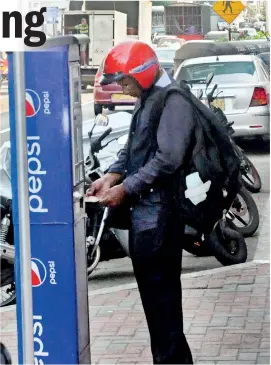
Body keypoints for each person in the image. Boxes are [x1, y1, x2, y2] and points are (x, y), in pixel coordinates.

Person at [87, 40, 194, 364]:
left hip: (160, 218)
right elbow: (135, 147)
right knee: (157, 308)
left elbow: (168, 158)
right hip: (146, 216)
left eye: (125, 81)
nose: (122, 88)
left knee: (162, 306)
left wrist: (126, 189)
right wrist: (112, 175)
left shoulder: (174, 100)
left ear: (144, 73)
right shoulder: (149, 97)